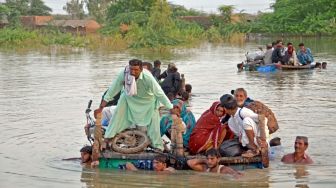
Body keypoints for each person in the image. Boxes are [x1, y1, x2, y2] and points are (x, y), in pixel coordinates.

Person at [94, 59, 174, 151]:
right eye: (131, 69)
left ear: (141, 69)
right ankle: (108, 139)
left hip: (147, 101)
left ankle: (158, 146)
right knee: (117, 115)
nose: (133, 72)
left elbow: (159, 93)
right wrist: (100, 108)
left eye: (136, 70)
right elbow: (113, 89)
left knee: (154, 123)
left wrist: (170, 107)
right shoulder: (124, 73)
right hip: (129, 98)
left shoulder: (148, 77)